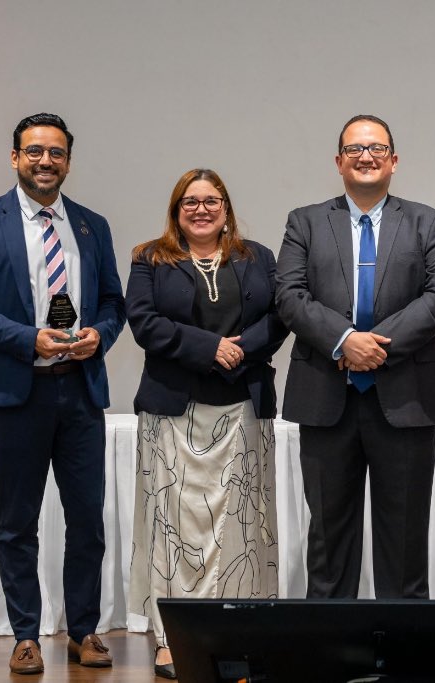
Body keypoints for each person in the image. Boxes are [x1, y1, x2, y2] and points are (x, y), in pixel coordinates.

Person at [0, 113, 125, 675]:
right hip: (17, 394)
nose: (45, 161)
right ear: (15, 157)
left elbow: (113, 304)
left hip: (81, 392)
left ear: (68, 160)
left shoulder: (92, 226)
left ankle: (85, 631)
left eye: (56, 153)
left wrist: (100, 334)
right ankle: (25, 634)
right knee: (18, 521)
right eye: (33, 152)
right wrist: (30, 339)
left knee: (88, 520)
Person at [276, 114, 435, 599]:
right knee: (329, 542)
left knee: (404, 541)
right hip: (324, 399)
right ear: (338, 162)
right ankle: (331, 653)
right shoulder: (305, 222)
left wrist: (374, 346)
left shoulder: (427, 221)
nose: (366, 156)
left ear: (394, 161)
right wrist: (343, 340)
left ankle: (403, 655)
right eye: (355, 149)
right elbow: (289, 295)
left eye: (376, 148)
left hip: (405, 401)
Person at [125, 169, 288, 678]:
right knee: (174, 528)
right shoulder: (150, 259)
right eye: (190, 201)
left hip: (244, 407)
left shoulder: (257, 257)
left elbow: (282, 315)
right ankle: (173, 639)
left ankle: (243, 633)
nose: (201, 209)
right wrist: (209, 347)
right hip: (174, 410)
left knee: (243, 526)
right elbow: (143, 322)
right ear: (176, 210)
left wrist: (238, 350)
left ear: (226, 207)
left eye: (211, 200)